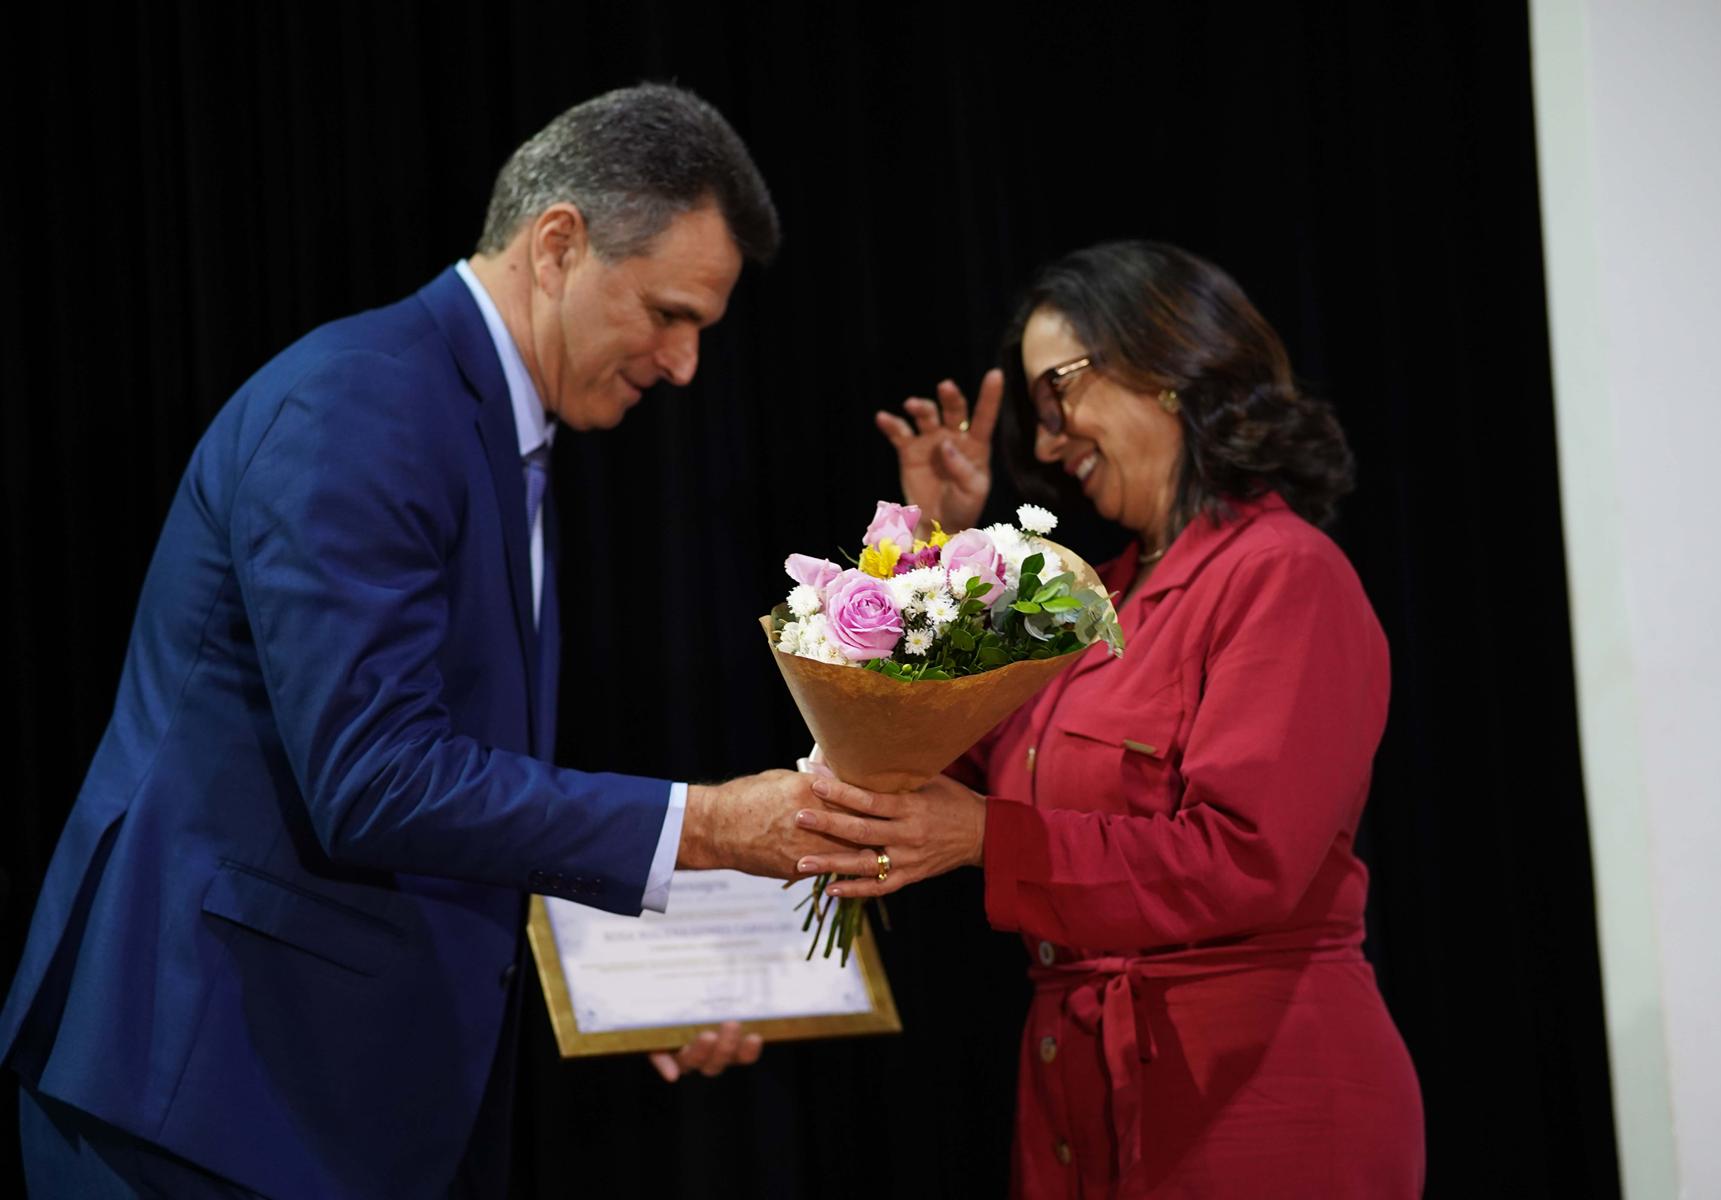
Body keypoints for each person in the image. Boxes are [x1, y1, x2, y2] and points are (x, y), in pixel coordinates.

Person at [1, 84, 849, 1199]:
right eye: (667, 313)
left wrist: (641, 980)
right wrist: (712, 826)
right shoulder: (367, 403)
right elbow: (376, 779)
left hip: (306, 1104)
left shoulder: (486, 424)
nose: (685, 363)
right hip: (199, 1101)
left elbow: (466, 791)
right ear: (558, 244)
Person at [799, 241, 1426, 1197]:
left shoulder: (1285, 572)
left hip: (1257, 1100)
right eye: (1041, 417)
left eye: (1060, 395)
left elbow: (1245, 859)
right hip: (1078, 1096)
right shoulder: (1094, 602)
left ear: (1167, 363)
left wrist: (986, 838)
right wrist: (927, 553)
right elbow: (919, 772)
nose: (1050, 445)